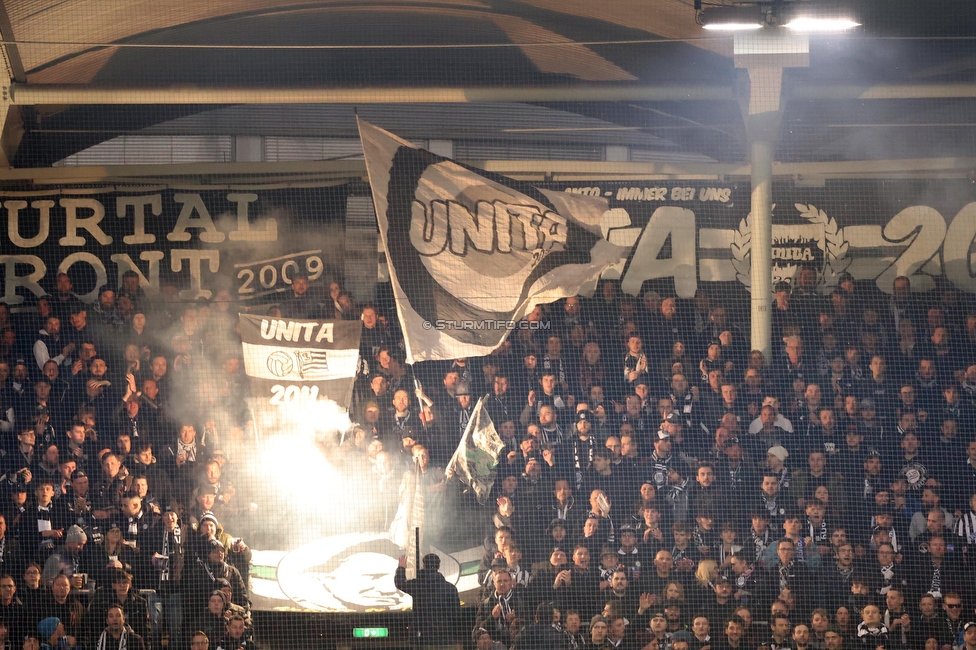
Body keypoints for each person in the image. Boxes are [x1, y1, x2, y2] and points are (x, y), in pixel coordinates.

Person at [393, 553, 462, 649]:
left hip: (421, 639)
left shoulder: (417, 585)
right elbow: (456, 616)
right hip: (444, 639)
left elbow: (400, 583)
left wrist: (401, 568)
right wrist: (458, 640)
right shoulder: (450, 588)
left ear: (423, 565)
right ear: (438, 566)